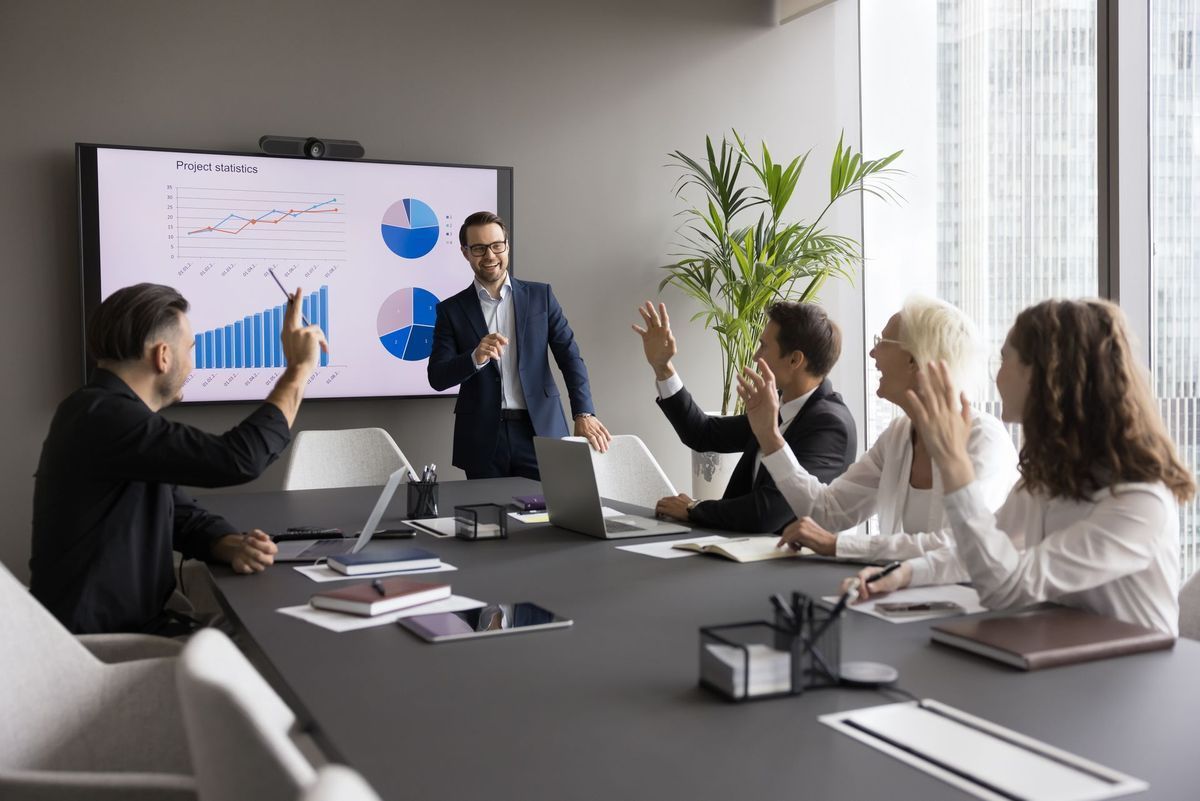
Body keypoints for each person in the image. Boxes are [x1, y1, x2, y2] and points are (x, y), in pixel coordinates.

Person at [847, 298, 1193, 636]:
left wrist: (954, 462)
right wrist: (905, 573)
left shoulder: (1140, 502)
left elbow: (1006, 585)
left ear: (1045, 374)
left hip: (1133, 679)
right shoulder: (1049, 478)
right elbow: (984, 550)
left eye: (1004, 359)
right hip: (1068, 662)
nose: (996, 375)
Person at [30, 282, 327, 635]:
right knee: (275, 639)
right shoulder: (102, 417)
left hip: (124, 626)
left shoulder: (102, 414)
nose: (192, 363)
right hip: (102, 646)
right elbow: (236, 459)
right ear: (163, 356)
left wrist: (225, 543)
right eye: (191, 348)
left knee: (261, 632)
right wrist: (298, 370)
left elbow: (177, 512)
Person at [737, 296, 1018, 578]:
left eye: (882, 341)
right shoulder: (898, 435)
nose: (873, 353)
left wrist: (840, 545)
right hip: (899, 600)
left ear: (913, 359)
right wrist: (770, 436)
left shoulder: (985, 439)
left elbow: (957, 546)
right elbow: (828, 511)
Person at [632, 300, 856, 533]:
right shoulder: (778, 403)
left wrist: (693, 508)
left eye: (763, 346)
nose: (756, 354)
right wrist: (663, 367)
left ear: (794, 360)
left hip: (785, 562)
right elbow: (702, 433)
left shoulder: (830, 425)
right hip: (741, 550)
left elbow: (767, 513)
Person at [428, 211, 611, 480]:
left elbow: (570, 358)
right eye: (478, 248)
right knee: (488, 520)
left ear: (507, 247)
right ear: (466, 253)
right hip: (481, 439)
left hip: (540, 431)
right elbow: (437, 377)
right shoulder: (451, 310)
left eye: (496, 245)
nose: (489, 256)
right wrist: (475, 357)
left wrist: (584, 412)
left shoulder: (541, 297)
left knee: (549, 518)